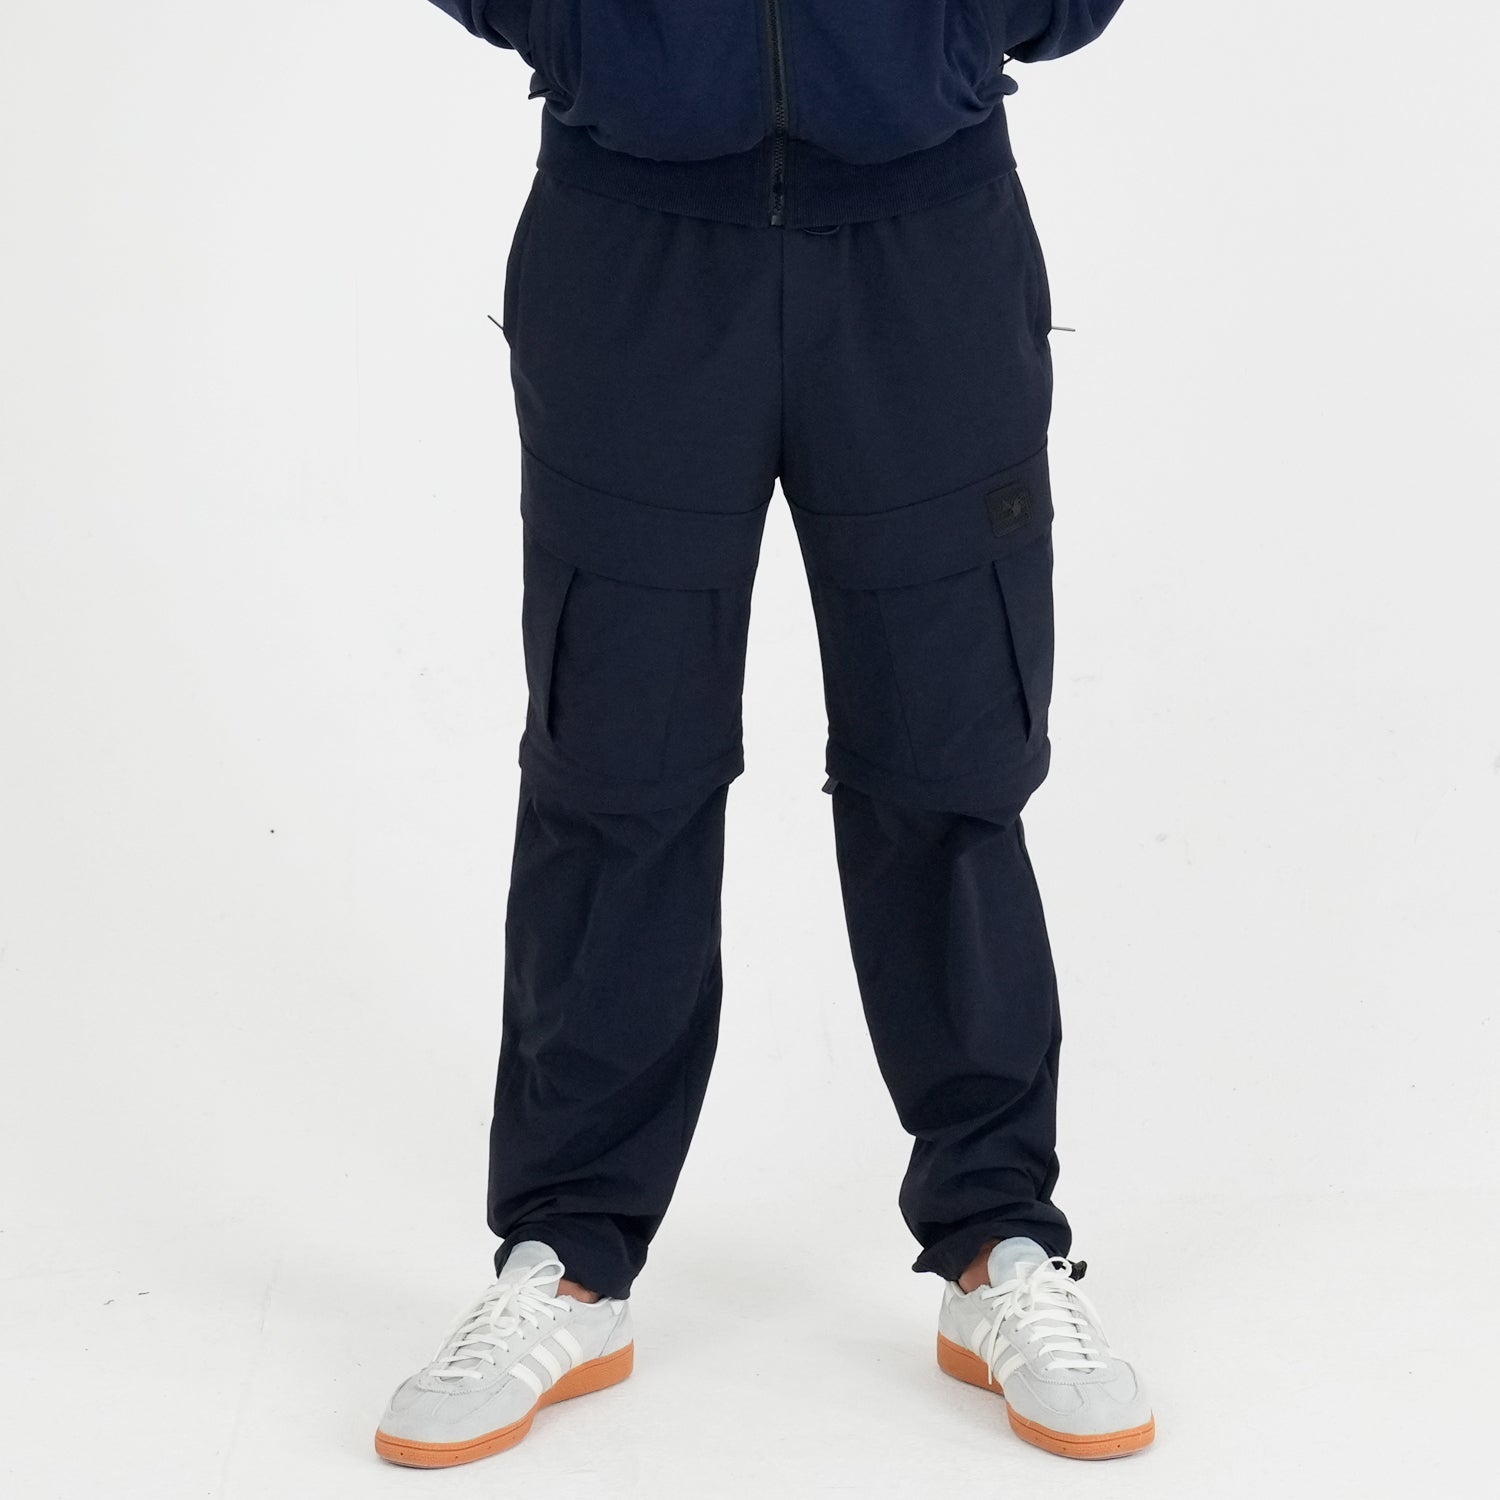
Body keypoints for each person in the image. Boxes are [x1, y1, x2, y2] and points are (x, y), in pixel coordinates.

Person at [376, 0, 1153, 1467]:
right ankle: (570, 1253)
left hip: (926, 243)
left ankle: (998, 1239)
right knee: (616, 760)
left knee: (952, 761)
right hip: (632, 248)